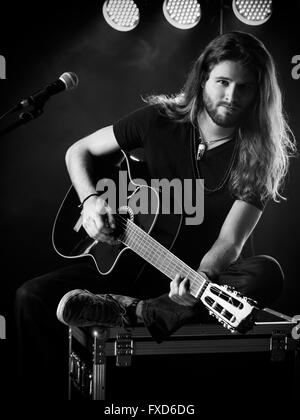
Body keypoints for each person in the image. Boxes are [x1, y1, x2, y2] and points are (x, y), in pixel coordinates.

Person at [15, 31, 295, 400]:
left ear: (259, 93)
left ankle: (139, 311)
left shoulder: (259, 158)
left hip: (182, 278)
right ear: (203, 79)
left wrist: (200, 279)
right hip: (122, 267)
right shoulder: (157, 120)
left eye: (244, 87)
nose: (231, 96)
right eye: (223, 82)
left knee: (264, 273)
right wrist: (90, 201)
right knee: (30, 297)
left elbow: (230, 241)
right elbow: (78, 151)